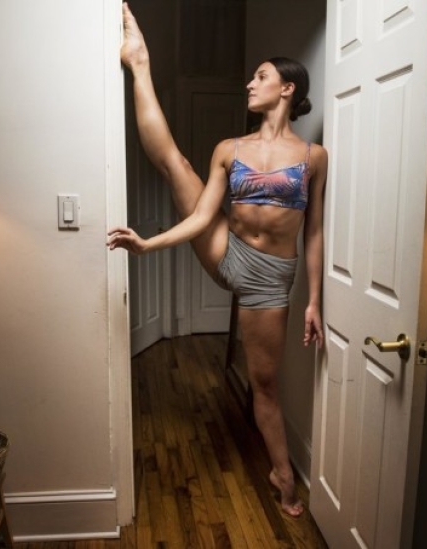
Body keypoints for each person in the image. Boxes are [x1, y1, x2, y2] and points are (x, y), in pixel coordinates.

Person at [109, 2, 327, 517]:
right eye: (251, 76)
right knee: (174, 163)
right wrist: (149, 244)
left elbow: (313, 232)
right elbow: (205, 216)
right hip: (228, 251)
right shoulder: (230, 148)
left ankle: (282, 475)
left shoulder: (314, 157)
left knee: (265, 385)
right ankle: (139, 62)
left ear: (288, 88)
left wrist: (313, 301)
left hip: (271, 281)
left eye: (261, 76)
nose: (250, 84)